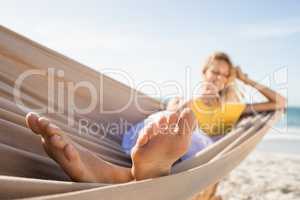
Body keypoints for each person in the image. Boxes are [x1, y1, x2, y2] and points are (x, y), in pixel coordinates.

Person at [25, 52, 286, 183]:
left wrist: (245, 79)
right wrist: (193, 100)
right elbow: (170, 109)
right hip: (160, 132)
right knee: (167, 118)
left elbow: (279, 102)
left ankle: (116, 172)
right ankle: (147, 165)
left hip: (195, 148)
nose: (216, 77)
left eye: (223, 74)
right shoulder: (187, 95)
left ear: (227, 78)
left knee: (192, 137)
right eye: (213, 72)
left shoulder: (233, 107)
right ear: (203, 73)